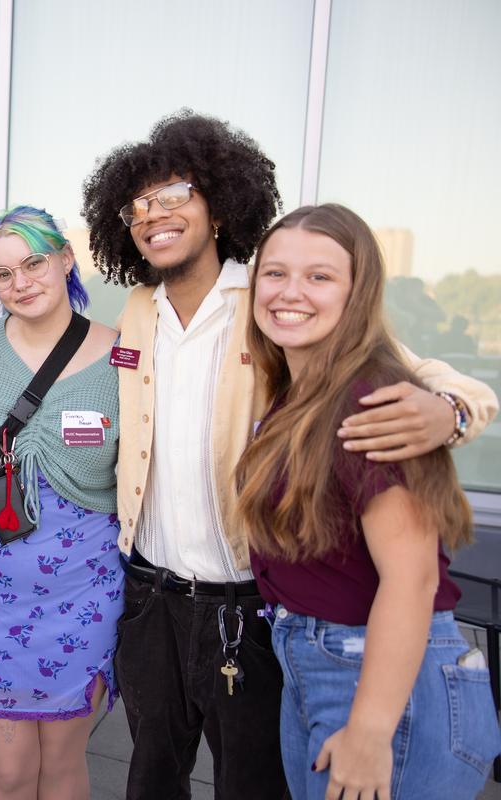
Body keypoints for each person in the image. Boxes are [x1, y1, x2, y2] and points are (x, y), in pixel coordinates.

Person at [80, 110, 499, 799]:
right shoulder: (137, 311)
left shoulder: (270, 298)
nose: (155, 214)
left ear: (218, 207)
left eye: (176, 193)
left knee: (254, 784)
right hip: (149, 598)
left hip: (248, 608)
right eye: (139, 204)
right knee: (150, 776)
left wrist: (448, 411)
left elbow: (426, 375)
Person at [237, 203, 501, 799]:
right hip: (317, 658)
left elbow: (411, 582)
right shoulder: (301, 390)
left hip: (377, 679)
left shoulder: (373, 400)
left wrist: (371, 730)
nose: (289, 292)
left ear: (359, 292)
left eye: (320, 276)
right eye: (274, 273)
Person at [0, 205, 121, 799]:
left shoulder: (126, 359)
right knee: (11, 771)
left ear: (67, 261)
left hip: (86, 586)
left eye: (34, 263)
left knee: (66, 768)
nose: (20, 282)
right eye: (2, 274)